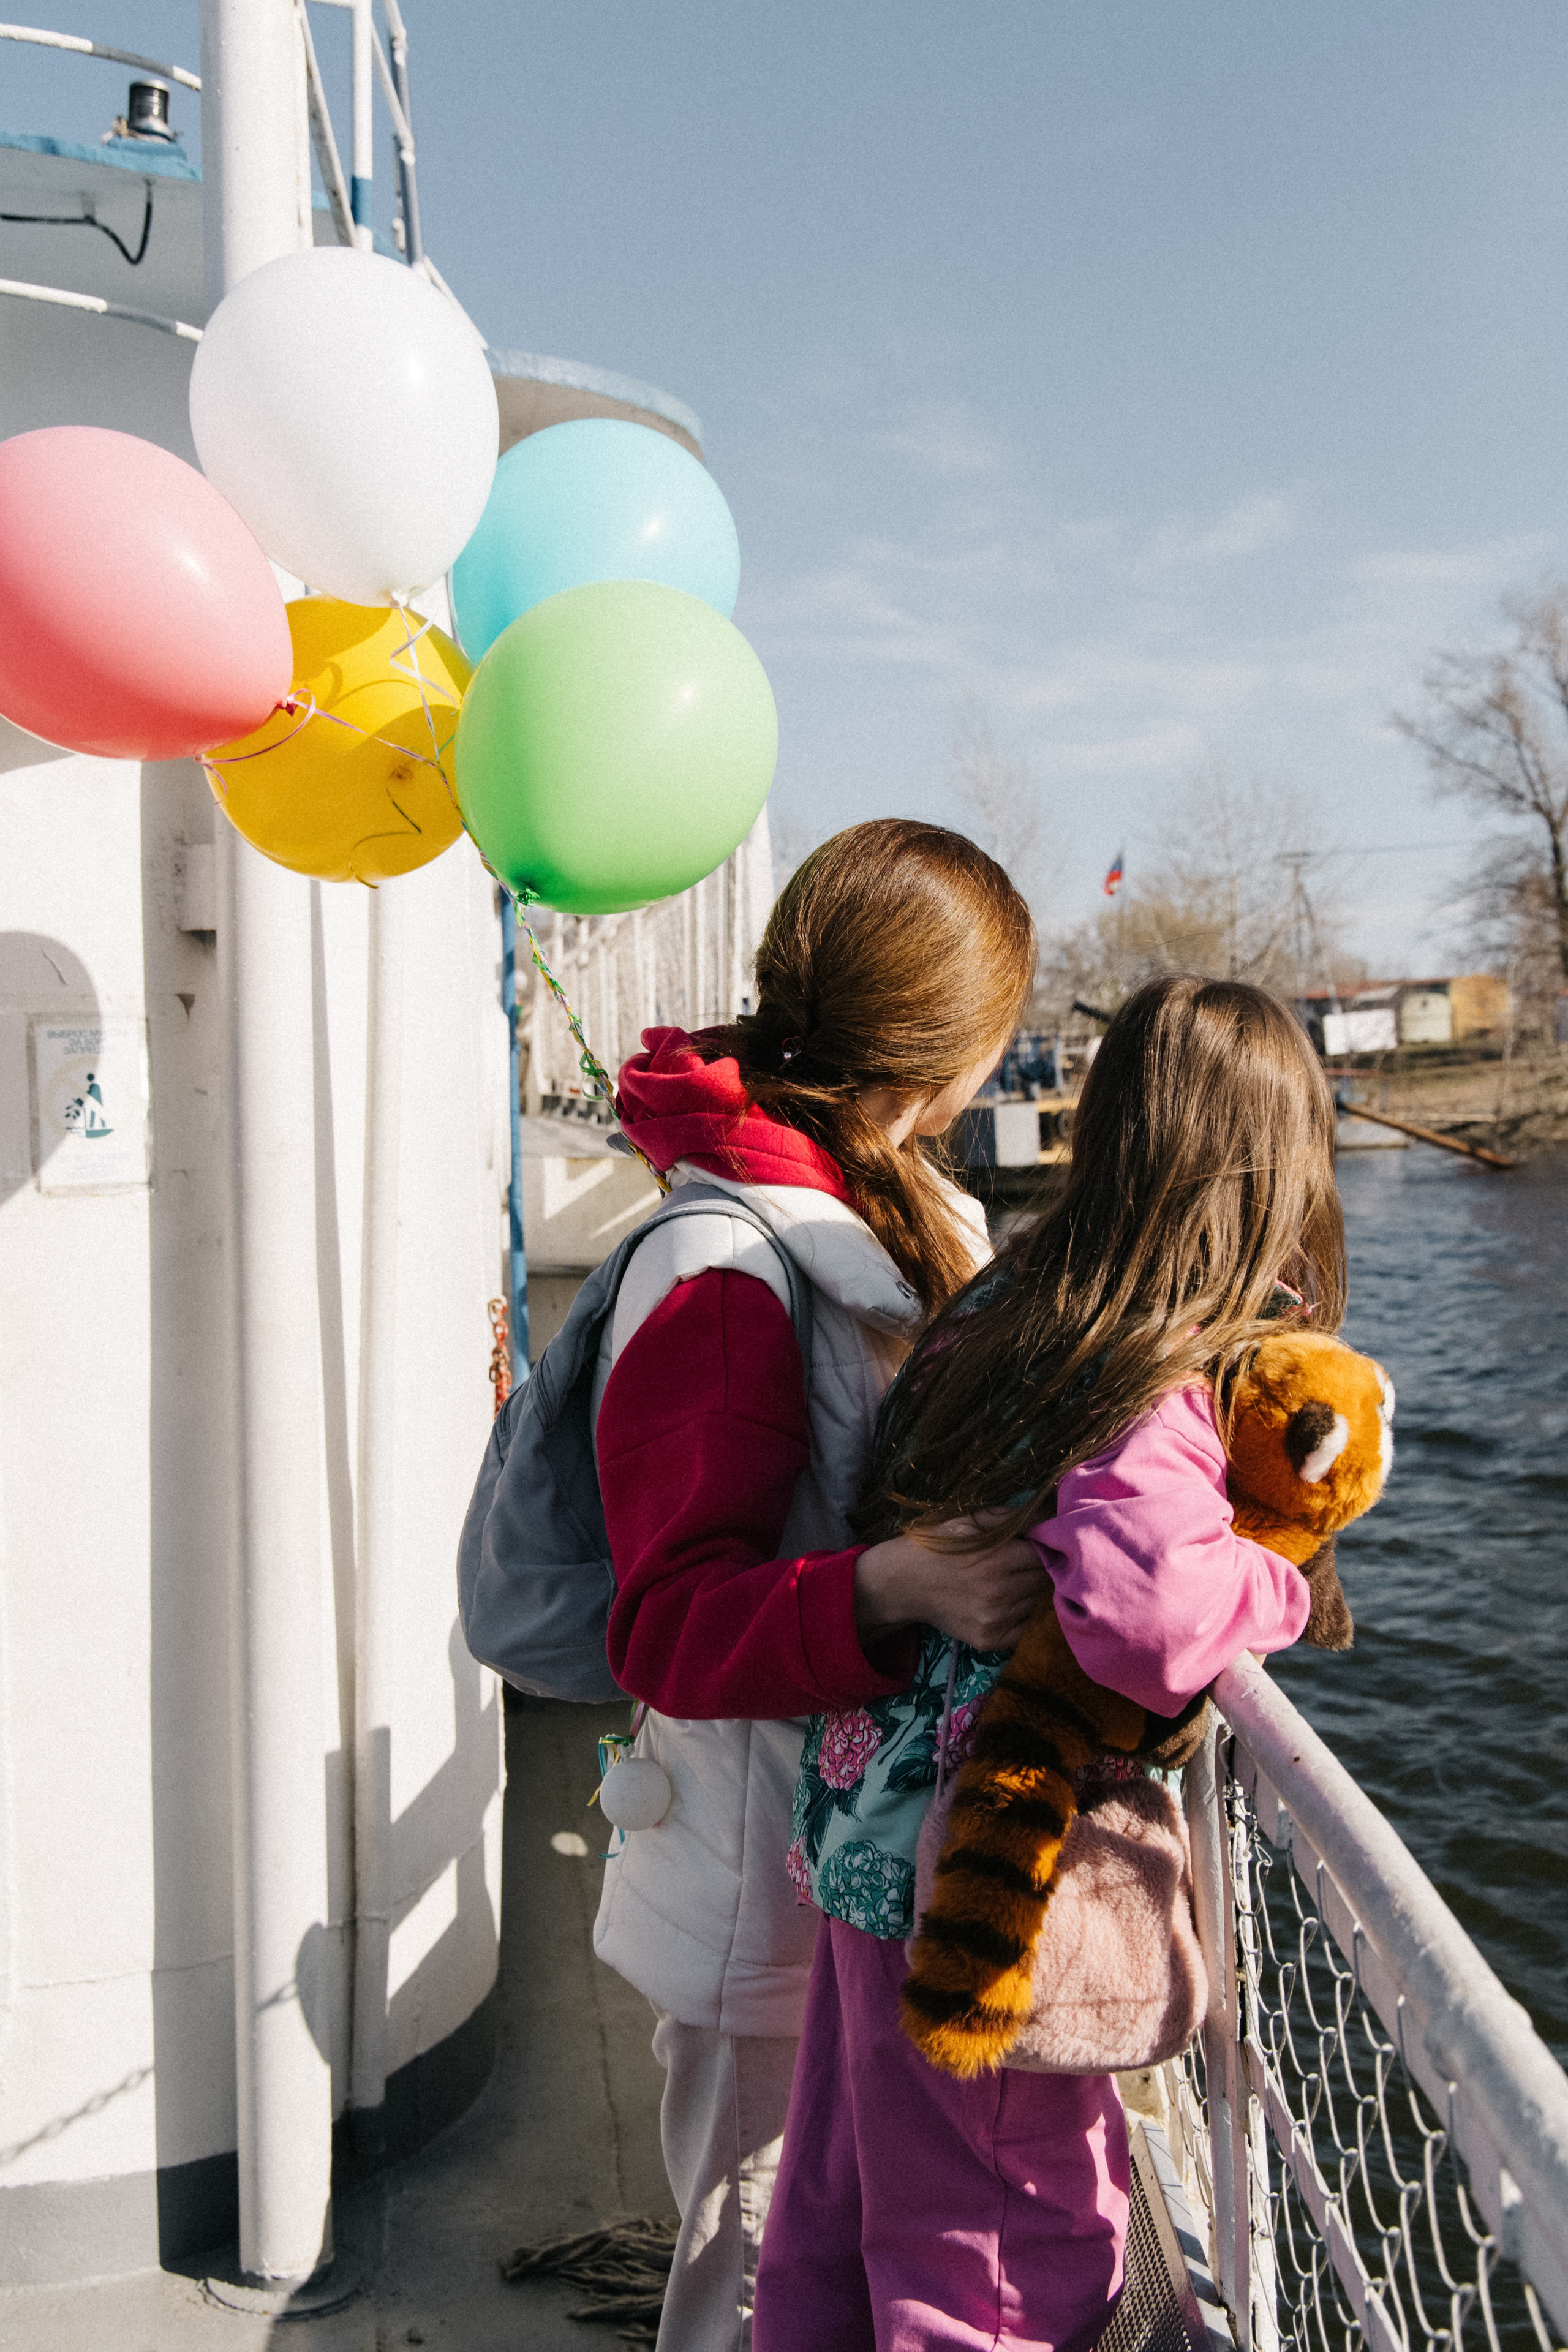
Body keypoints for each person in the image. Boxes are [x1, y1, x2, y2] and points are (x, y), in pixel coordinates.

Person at [753, 973, 1346, 2352]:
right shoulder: (1153, 1366)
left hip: (866, 1825)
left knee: (841, 2206)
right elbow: (1148, 1615)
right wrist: (1279, 1585)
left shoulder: (1011, 1297)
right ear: (1276, 1168)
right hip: (983, 1880)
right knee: (1000, 2268)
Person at [590, 819, 1043, 2351]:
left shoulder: (883, 1209)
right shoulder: (722, 1269)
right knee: (748, 2281)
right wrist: (898, 1583)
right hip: (761, 1896)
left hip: (849, 1864)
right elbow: (661, 1624)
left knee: (830, 2268)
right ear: (949, 1054)